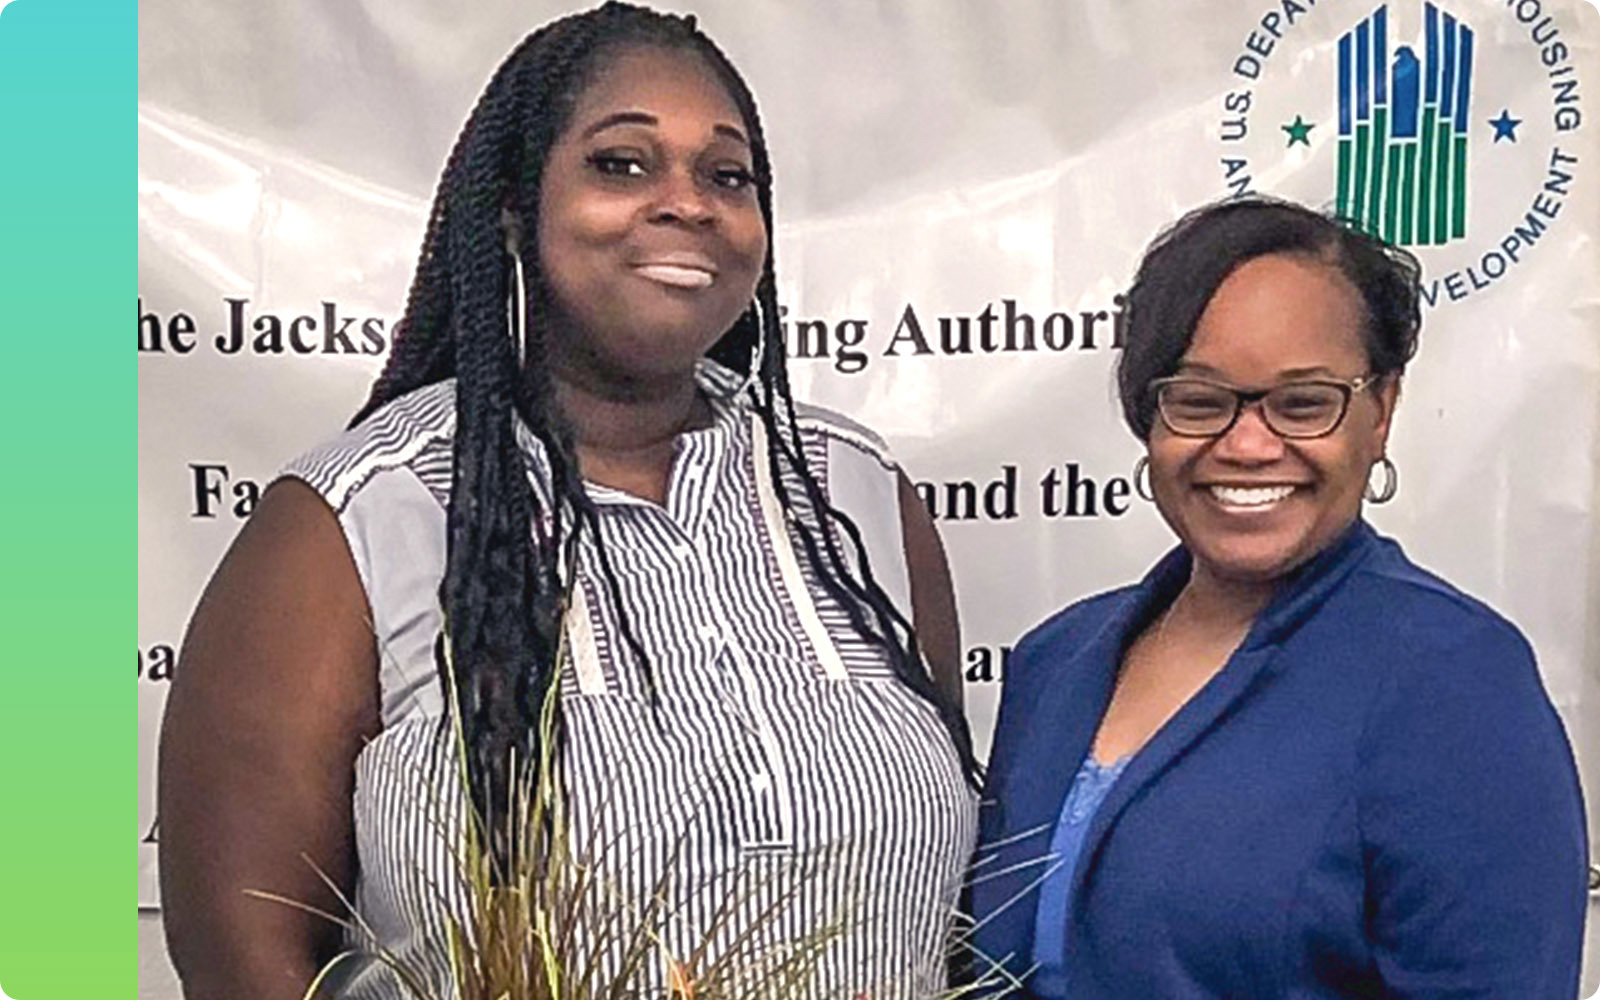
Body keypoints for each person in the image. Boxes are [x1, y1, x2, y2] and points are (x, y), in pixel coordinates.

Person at [157, 6, 979, 998]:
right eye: (622, 164)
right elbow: (244, 966)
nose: (687, 204)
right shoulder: (356, 519)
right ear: (512, 208)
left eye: (728, 175)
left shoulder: (854, 494)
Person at [969, 196, 1588, 999]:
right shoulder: (1057, 661)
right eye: (1199, 400)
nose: (1250, 444)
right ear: (1147, 416)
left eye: (1303, 403)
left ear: (1382, 412)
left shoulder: (1451, 678)